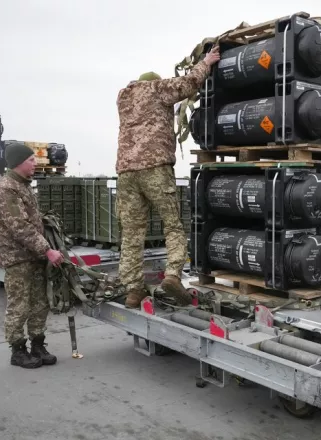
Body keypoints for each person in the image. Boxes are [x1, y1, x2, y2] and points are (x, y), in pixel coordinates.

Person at [115, 46, 221, 308]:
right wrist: (206, 63)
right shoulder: (156, 89)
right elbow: (188, 84)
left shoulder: (123, 97)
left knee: (131, 233)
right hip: (155, 168)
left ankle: (133, 290)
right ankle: (173, 275)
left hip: (126, 172)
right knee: (172, 225)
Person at [0, 141, 65, 369]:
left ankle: (38, 344)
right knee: (20, 304)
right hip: (18, 257)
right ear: (18, 163)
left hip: (34, 256)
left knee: (40, 303)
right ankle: (18, 349)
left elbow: (32, 220)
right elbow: (19, 226)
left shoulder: (22, 186)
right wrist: (47, 249)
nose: (35, 164)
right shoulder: (5, 189)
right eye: (31, 160)